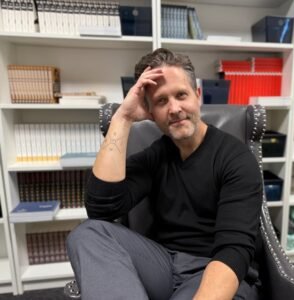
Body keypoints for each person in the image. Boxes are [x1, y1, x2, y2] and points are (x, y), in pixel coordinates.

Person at [67, 48, 263, 300]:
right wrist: (123, 118)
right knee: (88, 233)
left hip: (213, 270)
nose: (174, 108)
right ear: (150, 111)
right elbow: (102, 209)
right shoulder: (157, 154)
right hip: (162, 263)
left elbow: (233, 252)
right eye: (161, 101)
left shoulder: (235, 158)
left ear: (197, 95)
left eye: (181, 95)